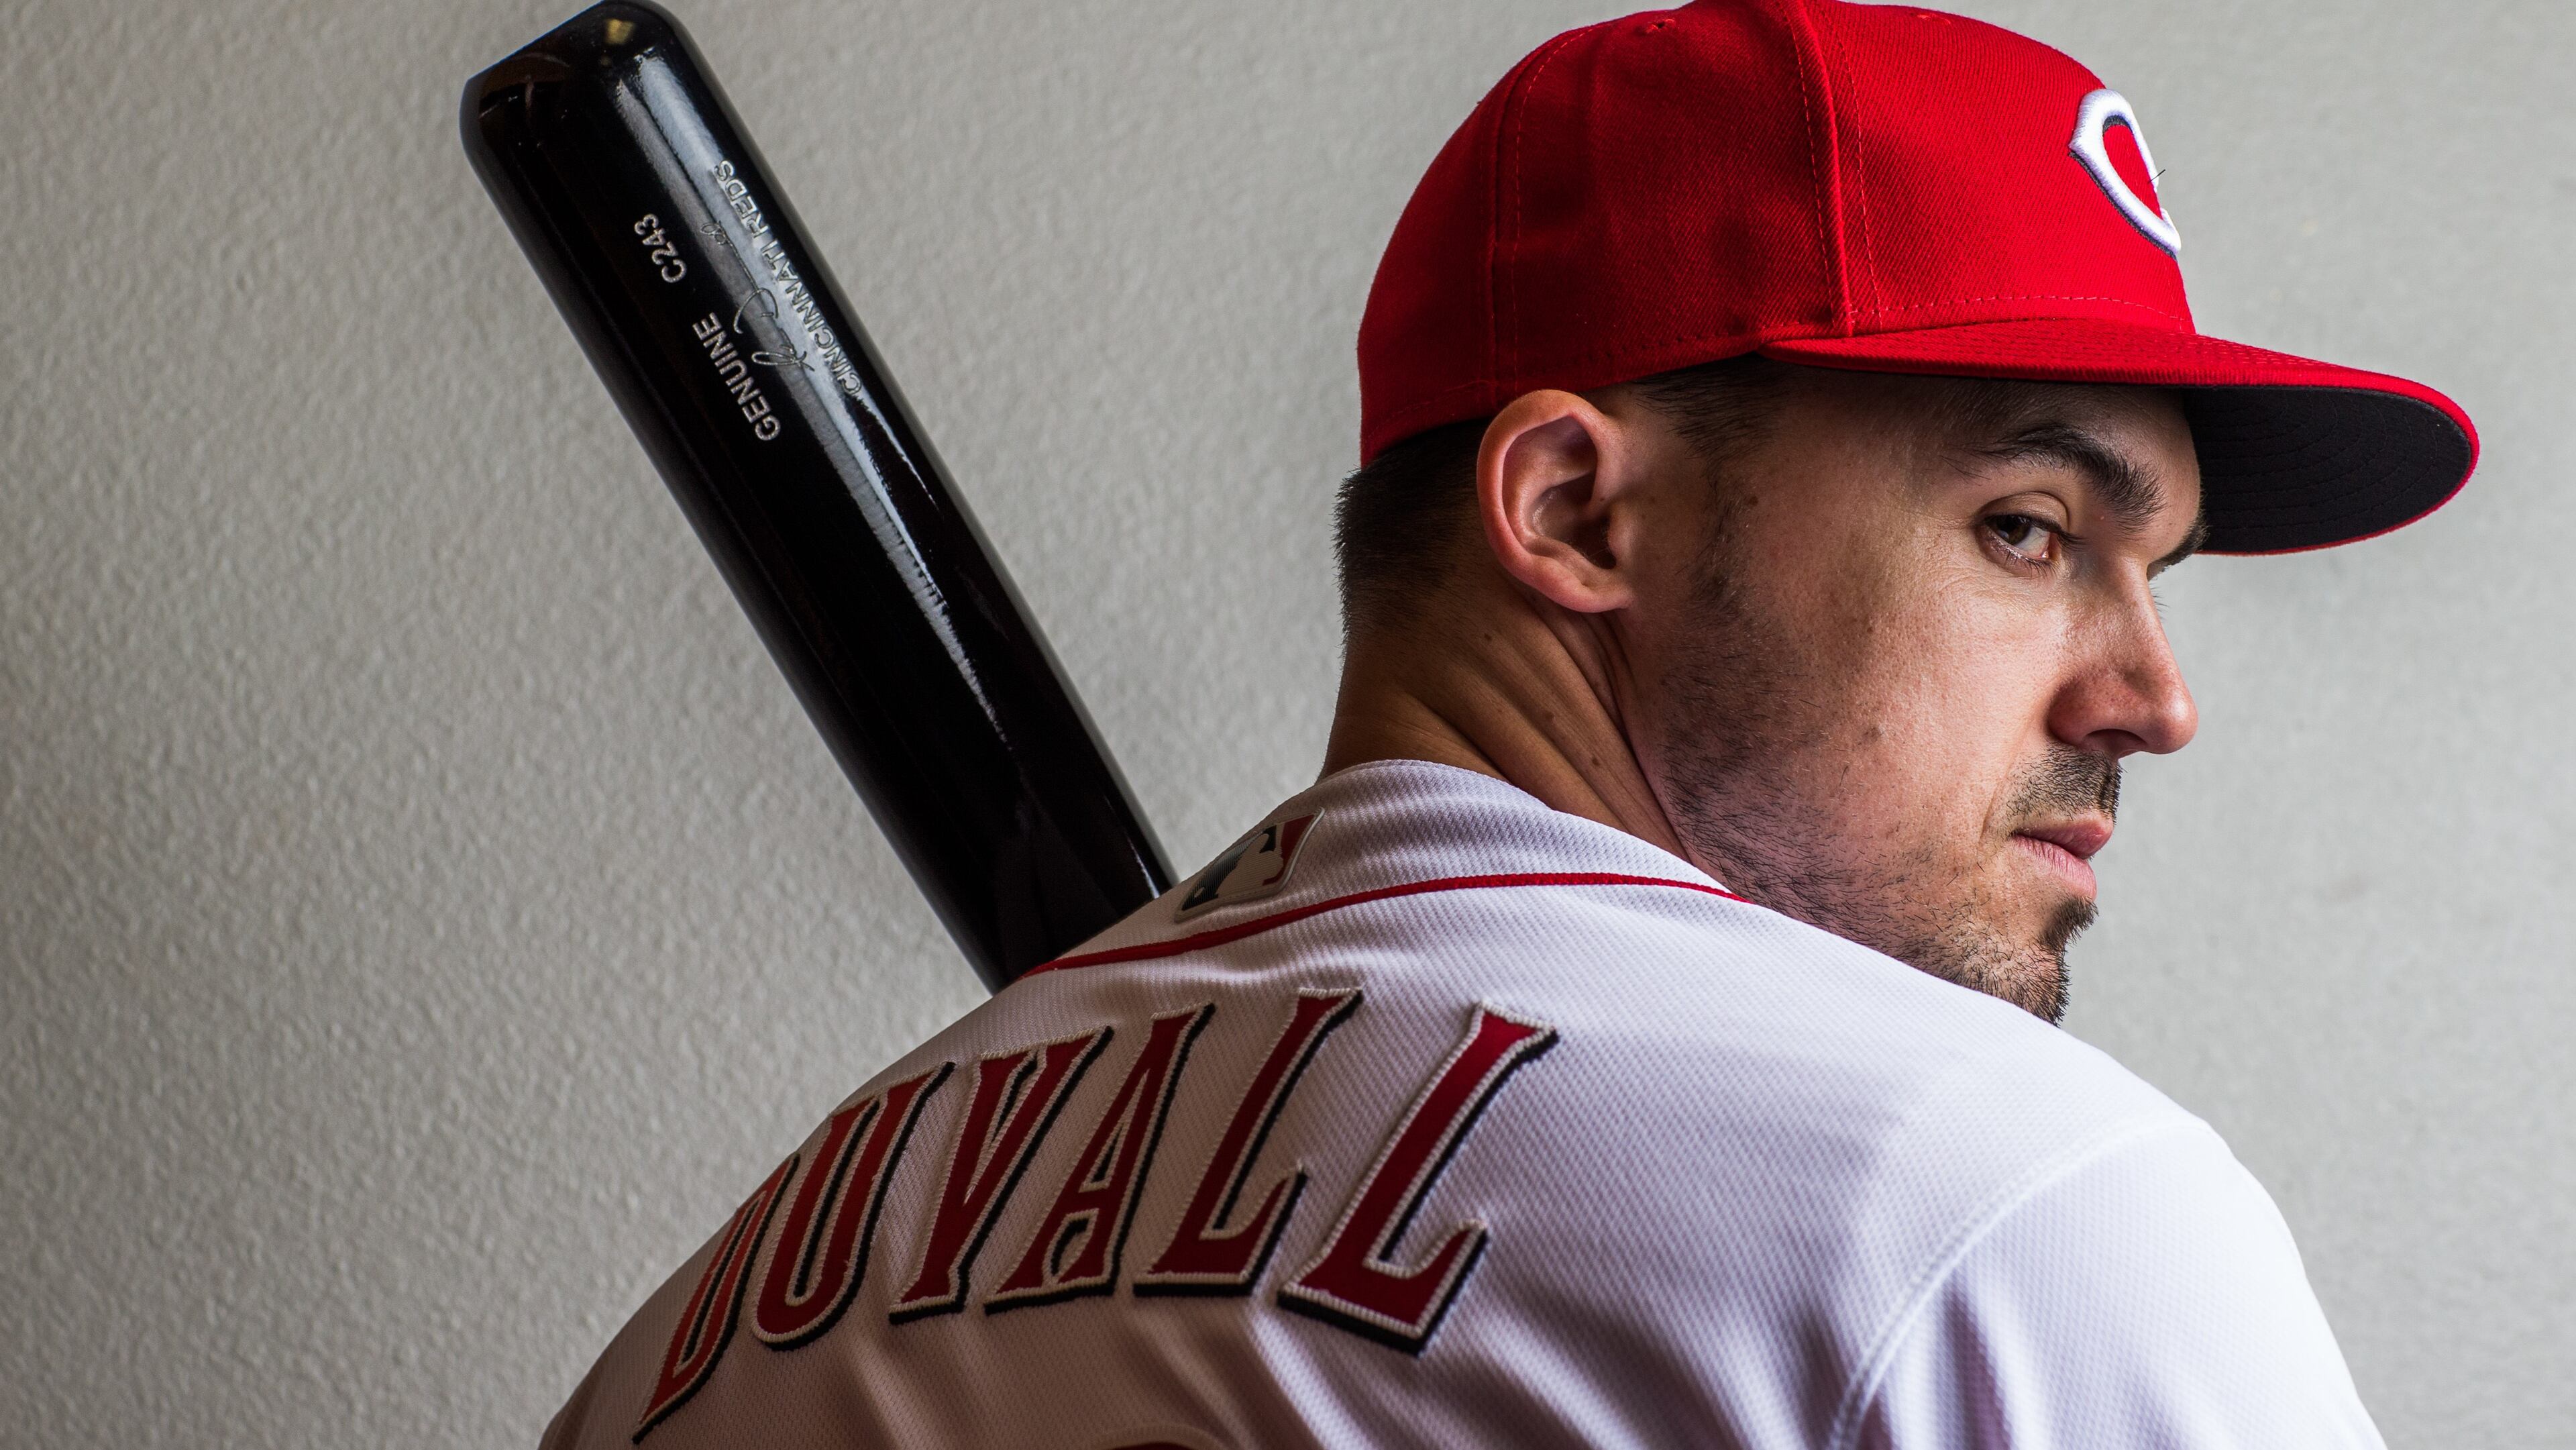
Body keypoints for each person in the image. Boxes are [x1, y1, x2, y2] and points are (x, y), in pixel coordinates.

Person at [541, 1, 2474, 1445]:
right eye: (2029, 530)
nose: (2153, 695)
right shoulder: (2005, 1210)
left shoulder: (731, 1307)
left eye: (2159, 570)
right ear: (1572, 511)